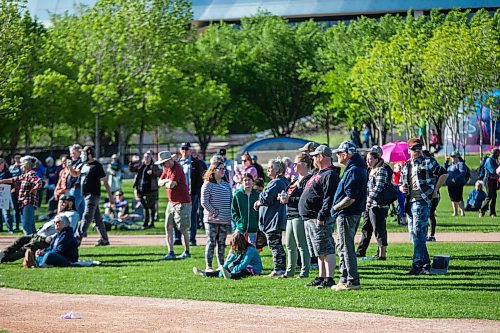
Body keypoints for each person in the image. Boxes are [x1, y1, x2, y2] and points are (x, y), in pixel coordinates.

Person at [399, 138, 447, 275]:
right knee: (414, 236)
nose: (418, 150)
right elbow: (401, 183)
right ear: (409, 151)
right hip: (409, 203)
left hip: (422, 201)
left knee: (419, 234)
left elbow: (443, 173)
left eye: (419, 147)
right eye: (414, 148)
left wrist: (435, 190)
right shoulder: (406, 165)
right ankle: (426, 264)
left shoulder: (428, 161)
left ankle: (417, 265)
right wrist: (403, 188)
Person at [299, 145, 339, 288]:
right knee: (318, 250)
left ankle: (329, 278)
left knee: (326, 248)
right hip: (309, 217)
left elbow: (329, 197)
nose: (313, 158)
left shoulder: (330, 174)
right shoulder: (319, 173)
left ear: (321, 157)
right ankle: (321, 276)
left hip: (319, 218)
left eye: (315, 156)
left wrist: (322, 215)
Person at [331, 141, 367, 291]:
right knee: (342, 246)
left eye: (339, 153)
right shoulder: (355, 168)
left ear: (345, 154)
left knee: (346, 247)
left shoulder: (354, 170)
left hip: (347, 213)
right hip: (348, 213)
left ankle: (352, 280)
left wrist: (335, 207)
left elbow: (350, 198)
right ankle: (344, 278)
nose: (338, 156)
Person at [0, 195, 79, 264]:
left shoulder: (72, 214)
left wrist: (52, 238)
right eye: (60, 202)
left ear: (70, 203)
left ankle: (4, 258)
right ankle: (3, 253)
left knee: (28, 247)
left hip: (46, 239)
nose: (61, 204)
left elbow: (68, 229)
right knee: (20, 240)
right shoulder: (62, 213)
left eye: (63, 202)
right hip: (38, 234)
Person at [69, 146, 115, 246]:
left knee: (86, 217)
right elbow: (75, 174)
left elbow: (105, 182)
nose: (82, 156)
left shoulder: (97, 166)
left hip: (93, 195)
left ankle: (77, 239)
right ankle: (104, 239)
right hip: (85, 195)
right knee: (97, 218)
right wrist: (69, 167)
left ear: (90, 154)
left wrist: (110, 196)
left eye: (84, 154)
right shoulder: (82, 165)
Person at [279, 152, 313, 279]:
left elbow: (305, 199)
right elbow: (290, 195)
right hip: (290, 214)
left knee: (301, 245)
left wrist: (289, 200)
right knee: (289, 245)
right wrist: (283, 198)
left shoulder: (308, 180)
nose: (293, 165)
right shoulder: (295, 180)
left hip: (299, 215)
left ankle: (304, 272)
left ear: (304, 164)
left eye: (296, 163)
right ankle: (290, 271)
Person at [253, 158, 288, 277]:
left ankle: (279, 269)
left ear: (279, 170)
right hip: (273, 219)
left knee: (274, 244)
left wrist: (258, 202)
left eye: (271, 167)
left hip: (273, 219)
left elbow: (266, 198)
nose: (268, 169)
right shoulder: (279, 181)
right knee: (276, 244)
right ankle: (281, 267)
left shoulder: (277, 182)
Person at [356, 148, 391, 259]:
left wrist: (369, 201)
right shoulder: (370, 170)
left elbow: (378, 188)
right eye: (367, 159)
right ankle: (361, 251)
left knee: (379, 229)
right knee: (366, 228)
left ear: (377, 159)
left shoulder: (381, 170)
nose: (368, 161)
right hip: (370, 204)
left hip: (378, 205)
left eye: (371, 159)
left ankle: (382, 254)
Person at [157, 151, 192, 260]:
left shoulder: (177, 168)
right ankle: (170, 252)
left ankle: (187, 251)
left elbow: (172, 185)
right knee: (168, 226)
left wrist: (166, 182)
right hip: (171, 202)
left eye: (164, 163)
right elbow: (159, 182)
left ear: (169, 160)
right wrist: (167, 181)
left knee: (183, 228)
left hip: (182, 202)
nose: (163, 165)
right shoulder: (166, 168)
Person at [201, 157, 232, 271]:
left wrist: (229, 215)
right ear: (213, 170)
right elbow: (204, 202)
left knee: (222, 244)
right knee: (211, 243)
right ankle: (209, 266)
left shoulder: (226, 185)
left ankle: (221, 266)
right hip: (211, 220)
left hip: (225, 219)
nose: (223, 171)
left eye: (224, 169)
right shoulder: (208, 184)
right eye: (221, 169)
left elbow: (230, 201)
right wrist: (214, 212)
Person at [0, 156, 43, 235]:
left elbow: (39, 182)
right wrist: (2, 181)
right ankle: (34, 244)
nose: (21, 165)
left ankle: (27, 244)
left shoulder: (31, 174)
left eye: (22, 164)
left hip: (28, 203)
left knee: (26, 227)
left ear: (26, 165)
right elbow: (14, 179)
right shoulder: (25, 175)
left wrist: (34, 189)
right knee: (32, 227)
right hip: (24, 203)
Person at [193, 232, 262, 279]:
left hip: (253, 268)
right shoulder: (237, 250)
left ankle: (231, 276)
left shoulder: (250, 250)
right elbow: (230, 260)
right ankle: (206, 274)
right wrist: (224, 269)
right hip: (242, 266)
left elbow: (244, 263)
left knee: (243, 272)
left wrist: (234, 270)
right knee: (227, 268)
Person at [178, 142, 207, 246]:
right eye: (183, 149)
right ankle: (177, 238)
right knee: (179, 216)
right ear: (180, 150)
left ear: (190, 150)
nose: (185, 151)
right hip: (179, 194)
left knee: (192, 216)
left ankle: (192, 238)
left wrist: (196, 191)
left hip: (192, 193)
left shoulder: (196, 163)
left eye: (187, 149)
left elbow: (201, 179)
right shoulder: (177, 163)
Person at [129, 152, 162, 229]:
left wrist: (153, 172)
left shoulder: (154, 166)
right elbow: (132, 169)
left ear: (151, 158)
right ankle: (146, 223)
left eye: (148, 157)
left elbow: (160, 173)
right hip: (140, 190)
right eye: (145, 157)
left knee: (151, 207)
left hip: (151, 190)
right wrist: (131, 162)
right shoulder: (141, 166)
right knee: (145, 207)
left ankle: (151, 223)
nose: (146, 158)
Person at [231, 173, 260, 245]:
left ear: (253, 182)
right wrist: (239, 221)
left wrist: (257, 222)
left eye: (249, 180)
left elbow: (261, 211)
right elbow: (234, 211)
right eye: (245, 180)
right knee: (236, 246)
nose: (247, 182)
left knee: (252, 248)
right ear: (241, 182)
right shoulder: (238, 195)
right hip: (241, 227)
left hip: (253, 227)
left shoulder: (257, 195)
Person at [422, 150, 441, 243]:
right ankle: (429, 235)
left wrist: (435, 189)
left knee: (429, 214)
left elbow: (443, 174)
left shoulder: (430, 164)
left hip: (432, 194)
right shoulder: (431, 164)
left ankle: (430, 235)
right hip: (431, 194)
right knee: (429, 214)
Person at [445, 151, 467, 217]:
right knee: (452, 199)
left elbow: (462, 173)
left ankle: (462, 212)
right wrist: (446, 162)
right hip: (450, 184)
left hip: (458, 184)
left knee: (459, 198)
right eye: (452, 157)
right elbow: (445, 170)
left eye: (454, 157)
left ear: (458, 157)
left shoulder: (461, 164)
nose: (453, 158)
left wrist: (455, 179)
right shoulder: (450, 165)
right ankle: (455, 212)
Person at [479, 148, 499, 217]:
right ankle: (482, 210)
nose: (498, 155)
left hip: (494, 180)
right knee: (489, 196)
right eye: (498, 154)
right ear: (495, 153)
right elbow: (492, 171)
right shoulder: (489, 160)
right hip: (488, 180)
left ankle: (492, 212)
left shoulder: (495, 160)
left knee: (494, 196)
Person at [9, 153, 22, 232]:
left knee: (21, 208)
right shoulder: (11, 168)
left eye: (19, 157)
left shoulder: (23, 167)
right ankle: (15, 225)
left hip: (21, 190)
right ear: (13, 159)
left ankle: (22, 224)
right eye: (16, 157)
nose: (17, 159)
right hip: (13, 191)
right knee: (15, 209)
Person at [0, 158, 13, 233]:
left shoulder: (7, 173)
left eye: (1, 164)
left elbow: (11, 182)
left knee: (6, 213)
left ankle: (10, 229)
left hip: (5, 194)